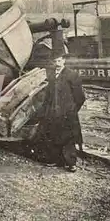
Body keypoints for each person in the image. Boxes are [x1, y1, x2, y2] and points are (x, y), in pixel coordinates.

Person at [37, 30, 86, 172]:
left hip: (67, 113)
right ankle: (55, 160)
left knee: (68, 139)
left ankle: (71, 163)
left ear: (64, 61)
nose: (57, 63)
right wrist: (47, 109)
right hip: (53, 112)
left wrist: (72, 109)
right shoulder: (52, 76)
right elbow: (48, 95)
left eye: (59, 60)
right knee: (53, 136)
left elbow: (80, 97)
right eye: (55, 61)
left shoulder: (72, 75)